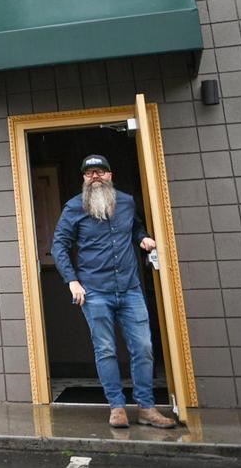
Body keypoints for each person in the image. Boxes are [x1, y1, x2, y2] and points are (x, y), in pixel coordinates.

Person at [50, 154, 177, 429]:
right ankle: (116, 407)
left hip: (130, 290)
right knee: (106, 350)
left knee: (143, 348)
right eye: (89, 173)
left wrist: (142, 237)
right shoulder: (73, 207)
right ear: (84, 179)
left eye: (100, 171)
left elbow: (136, 226)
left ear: (110, 175)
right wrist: (72, 280)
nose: (95, 176)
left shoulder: (127, 202)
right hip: (94, 291)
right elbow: (58, 246)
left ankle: (146, 408)